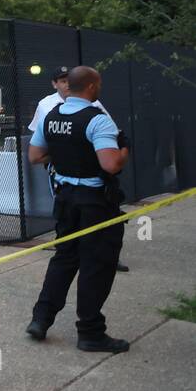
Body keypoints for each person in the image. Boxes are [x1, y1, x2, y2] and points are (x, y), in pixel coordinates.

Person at [26, 66, 130, 353]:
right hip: (95, 201)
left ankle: (41, 319)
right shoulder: (98, 120)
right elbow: (110, 164)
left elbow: (35, 156)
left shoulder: (51, 117)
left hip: (65, 199)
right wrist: (124, 150)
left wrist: (60, 153)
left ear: (68, 86)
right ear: (92, 87)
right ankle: (90, 333)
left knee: (65, 259)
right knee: (96, 265)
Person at [28, 66, 129, 272]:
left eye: (68, 79)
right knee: (69, 219)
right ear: (54, 84)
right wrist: (63, 150)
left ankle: (102, 257)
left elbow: (110, 132)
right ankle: (72, 250)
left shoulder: (94, 104)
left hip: (92, 172)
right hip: (63, 173)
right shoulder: (46, 106)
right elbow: (37, 147)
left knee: (98, 226)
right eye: (62, 80)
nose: (66, 84)